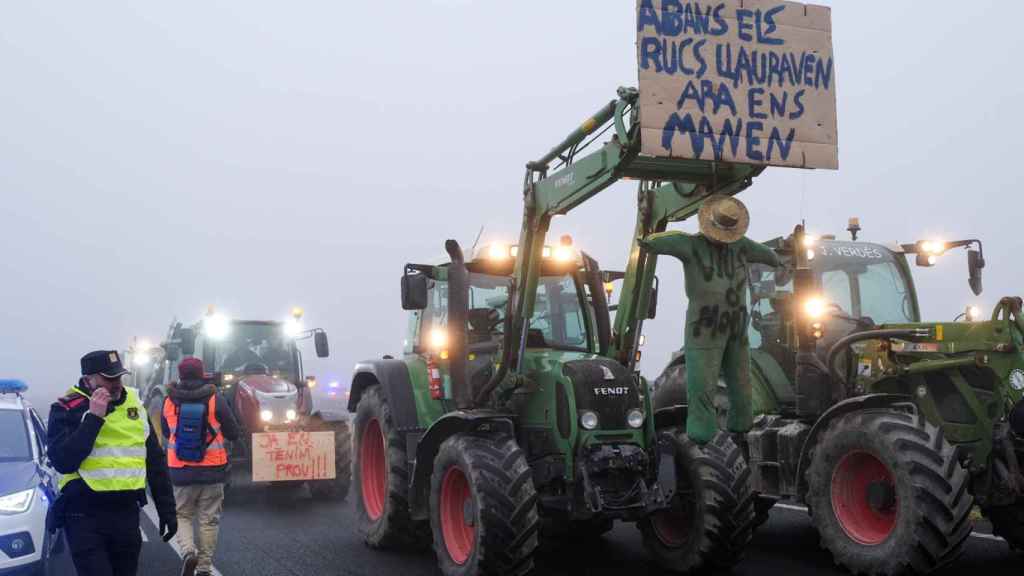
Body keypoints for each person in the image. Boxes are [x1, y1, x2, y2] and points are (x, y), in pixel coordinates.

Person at [640, 195, 780, 446]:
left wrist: (649, 239)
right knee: (703, 381)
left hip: (732, 327)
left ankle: (738, 425)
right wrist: (648, 239)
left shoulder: (740, 246)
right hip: (707, 327)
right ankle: (703, 432)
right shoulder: (692, 245)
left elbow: (769, 255)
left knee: (740, 381)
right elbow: (658, 242)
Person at [48, 350, 177, 576]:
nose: (117, 383)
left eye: (119, 377)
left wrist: (167, 509)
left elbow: (155, 461)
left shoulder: (135, 405)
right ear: (89, 380)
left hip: (126, 513)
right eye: (109, 379)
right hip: (84, 515)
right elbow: (63, 461)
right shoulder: (67, 408)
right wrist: (94, 418)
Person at [162, 357, 240, 576]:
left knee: (183, 515)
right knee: (209, 520)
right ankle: (204, 568)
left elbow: (168, 433)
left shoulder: (169, 401)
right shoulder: (216, 398)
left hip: (180, 470)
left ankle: (188, 551)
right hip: (213, 471)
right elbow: (233, 432)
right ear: (202, 373)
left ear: (180, 375)